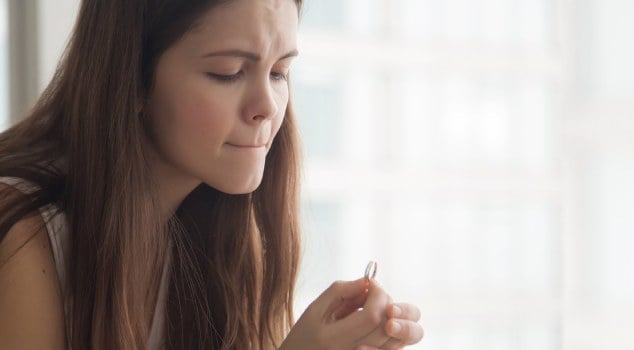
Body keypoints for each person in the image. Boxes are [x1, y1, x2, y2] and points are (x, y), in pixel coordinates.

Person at [0, 0, 423, 348]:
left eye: (279, 73)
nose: (268, 106)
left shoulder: (222, 234)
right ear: (132, 81)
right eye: (228, 73)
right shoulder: (24, 234)